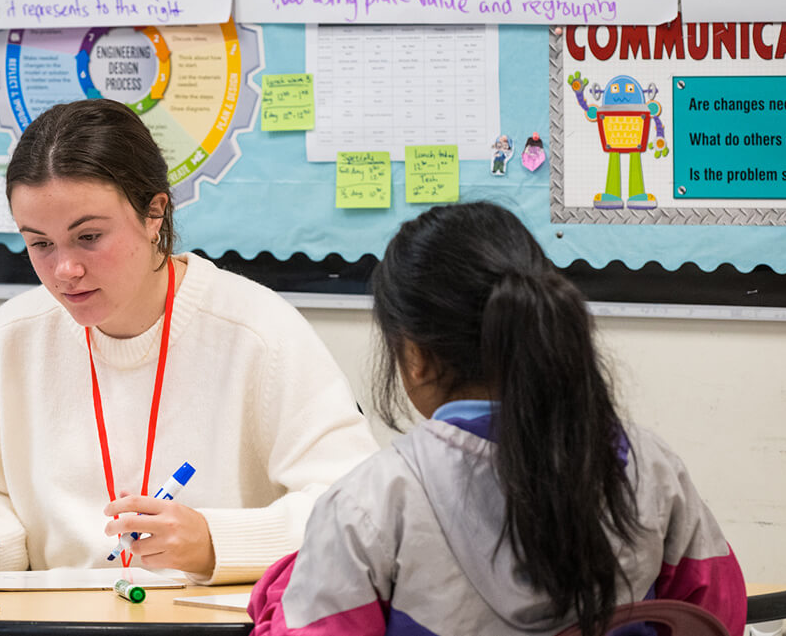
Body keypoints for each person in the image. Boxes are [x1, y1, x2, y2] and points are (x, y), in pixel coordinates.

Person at [0, 99, 379, 584]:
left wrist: (216, 542)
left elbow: (358, 508)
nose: (65, 271)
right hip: (56, 622)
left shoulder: (257, 332)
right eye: (40, 244)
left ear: (154, 213)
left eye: (89, 236)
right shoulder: (16, 333)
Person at [248, 202, 746, 636]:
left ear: (415, 356)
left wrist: (281, 589)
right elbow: (719, 614)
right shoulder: (651, 467)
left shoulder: (373, 502)